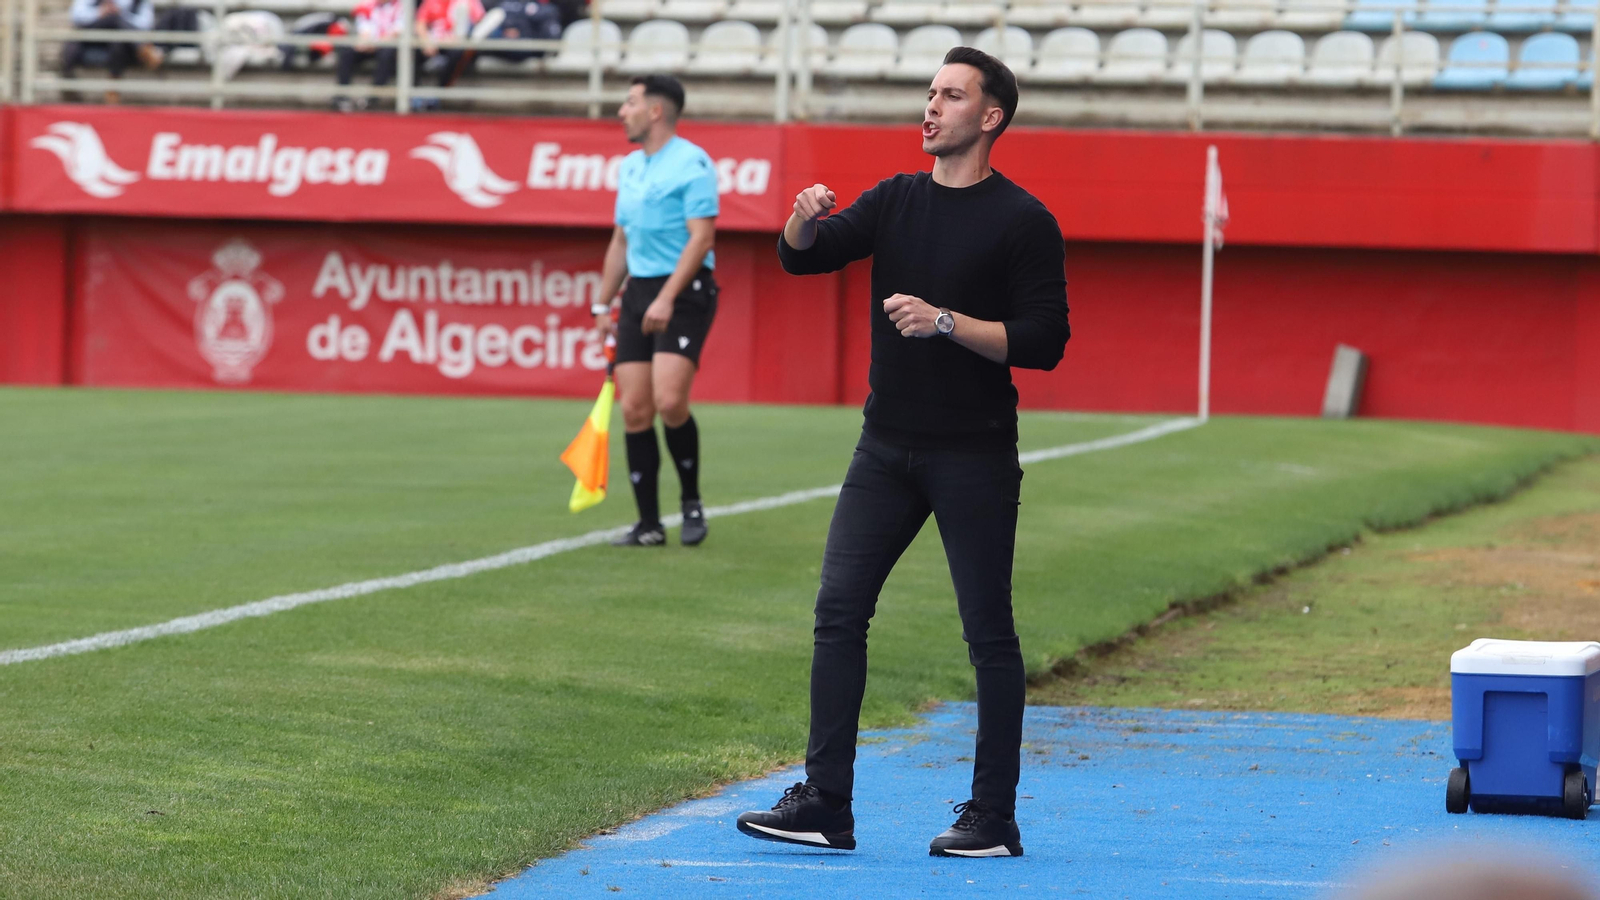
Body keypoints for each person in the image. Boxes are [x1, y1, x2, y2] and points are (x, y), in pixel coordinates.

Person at [734, 47, 1069, 858]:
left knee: (989, 634)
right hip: (884, 448)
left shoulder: (1024, 220)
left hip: (974, 455)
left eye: (949, 95)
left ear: (990, 117)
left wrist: (945, 321)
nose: (930, 107)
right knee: (838, 613)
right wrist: (804, 215)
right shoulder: (896, 199)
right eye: (929, 93)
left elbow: (1045, 341)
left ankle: (993, 816)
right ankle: (826, 804)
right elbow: (800, 255)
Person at [593, 74, 719, 548]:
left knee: (669, 402)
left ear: (655, 112)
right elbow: (620, 240)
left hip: (684, 291)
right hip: (639, 292)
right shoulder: (629, 166)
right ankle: (648, 524)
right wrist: (602, 302)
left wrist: (668, 295)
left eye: (629, 103)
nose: (621, 111)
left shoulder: (693, 163)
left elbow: (702, 238)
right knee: (635, 409)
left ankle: (691, 503)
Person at [61, 0, 162, 100]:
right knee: (113, 19)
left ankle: (113, 88)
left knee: (118, 38)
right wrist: (100, 12)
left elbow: (146, 23)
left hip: (123, 42)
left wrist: (122, 15)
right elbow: (76, 15)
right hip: (95, 33)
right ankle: (141, 48)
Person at [333, 0, 402, 111]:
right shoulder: (366, 5)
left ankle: (372, 99)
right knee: (346, 53)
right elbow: (364, 29)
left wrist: (376, 43)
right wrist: (365, 42)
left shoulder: (401, 6)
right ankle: (342, 97)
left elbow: (397, 32)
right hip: (369, 44)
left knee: (387, 55)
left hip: (388, 46)